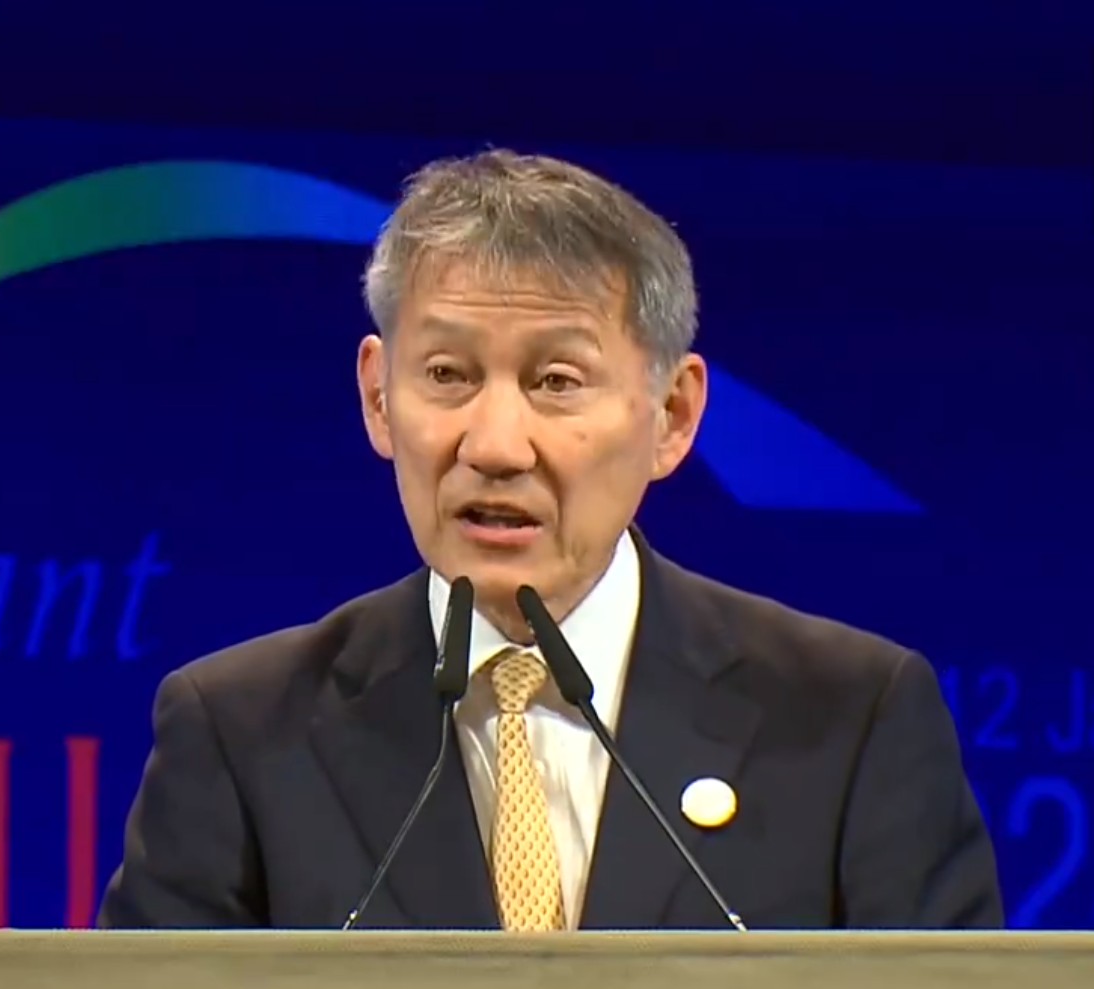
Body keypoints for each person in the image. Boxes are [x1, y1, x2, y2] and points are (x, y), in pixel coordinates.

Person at [96, 149, 1003, 931]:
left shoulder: (850, 718)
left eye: (557, 381)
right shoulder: (241, 731)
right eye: (447, 373)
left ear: (673, 414)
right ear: (378, 397)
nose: (495, 445)